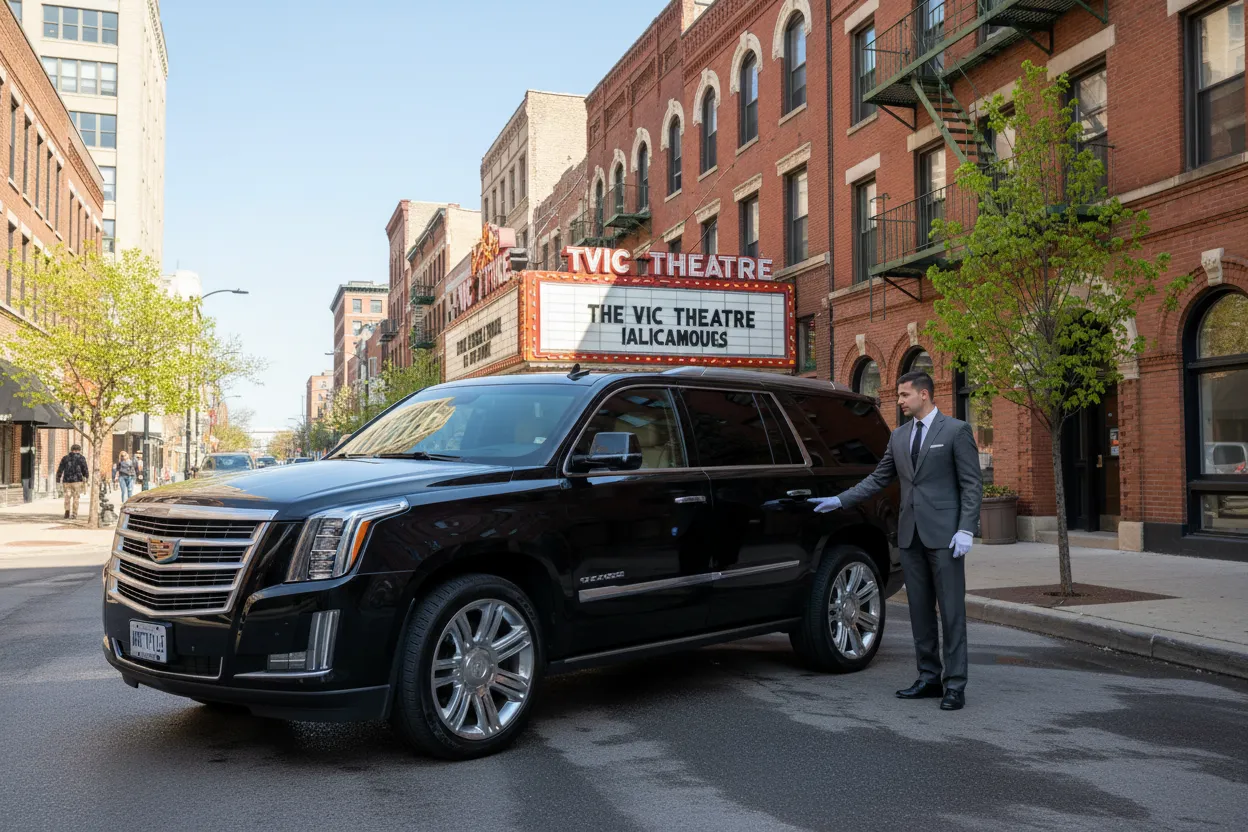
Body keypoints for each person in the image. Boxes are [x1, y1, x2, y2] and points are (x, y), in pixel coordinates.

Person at [808, 370, 982, 711]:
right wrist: (840, 500)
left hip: (946, 536)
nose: (899, 401)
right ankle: (929, 678)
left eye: (903, 395)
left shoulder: (956, 431)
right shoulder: (899, 437)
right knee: (919, 611)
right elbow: (877, 479)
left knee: (951, 613)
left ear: (924, 395)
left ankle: (955, 685)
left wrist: (966, 528)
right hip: (910, 535)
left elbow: (972, 484)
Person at [56, 444, 91, 520]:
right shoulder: (81, 458)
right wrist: (86, 476)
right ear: (79, 450)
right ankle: (74, 514)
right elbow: (84, 468)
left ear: (71, 450)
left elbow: (60, 468)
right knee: (76, 498)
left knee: (67, 496)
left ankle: (67, 511)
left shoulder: (65, 458)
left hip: (67, 480)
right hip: (77, 480)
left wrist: (58, 478)